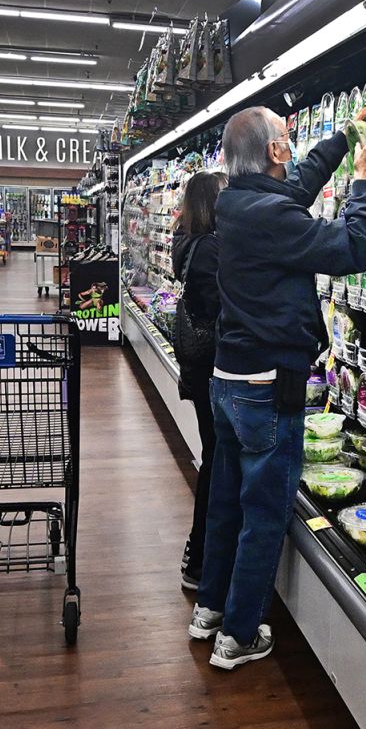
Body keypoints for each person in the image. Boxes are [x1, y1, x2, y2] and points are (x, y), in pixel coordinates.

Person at [189, 102, 366, 670]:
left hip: (229, 379)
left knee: (227, 501)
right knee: (264, 511)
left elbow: (293, 187)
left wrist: (345, 136)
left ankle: (209, 610)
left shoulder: (237, 201)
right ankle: (240, 635)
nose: (294, 142)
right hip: (268, 384)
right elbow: (353, 248)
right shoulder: (270, 218)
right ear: (275, 152)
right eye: (286, 137)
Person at [170, 170, 228, 590]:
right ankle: (200, 555)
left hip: (197, 363)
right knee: (215, 459)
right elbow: (221, 307)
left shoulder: (187, 241)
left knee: (214, 454)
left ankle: (203, 552)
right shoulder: (212, 249)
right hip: (213, 367)